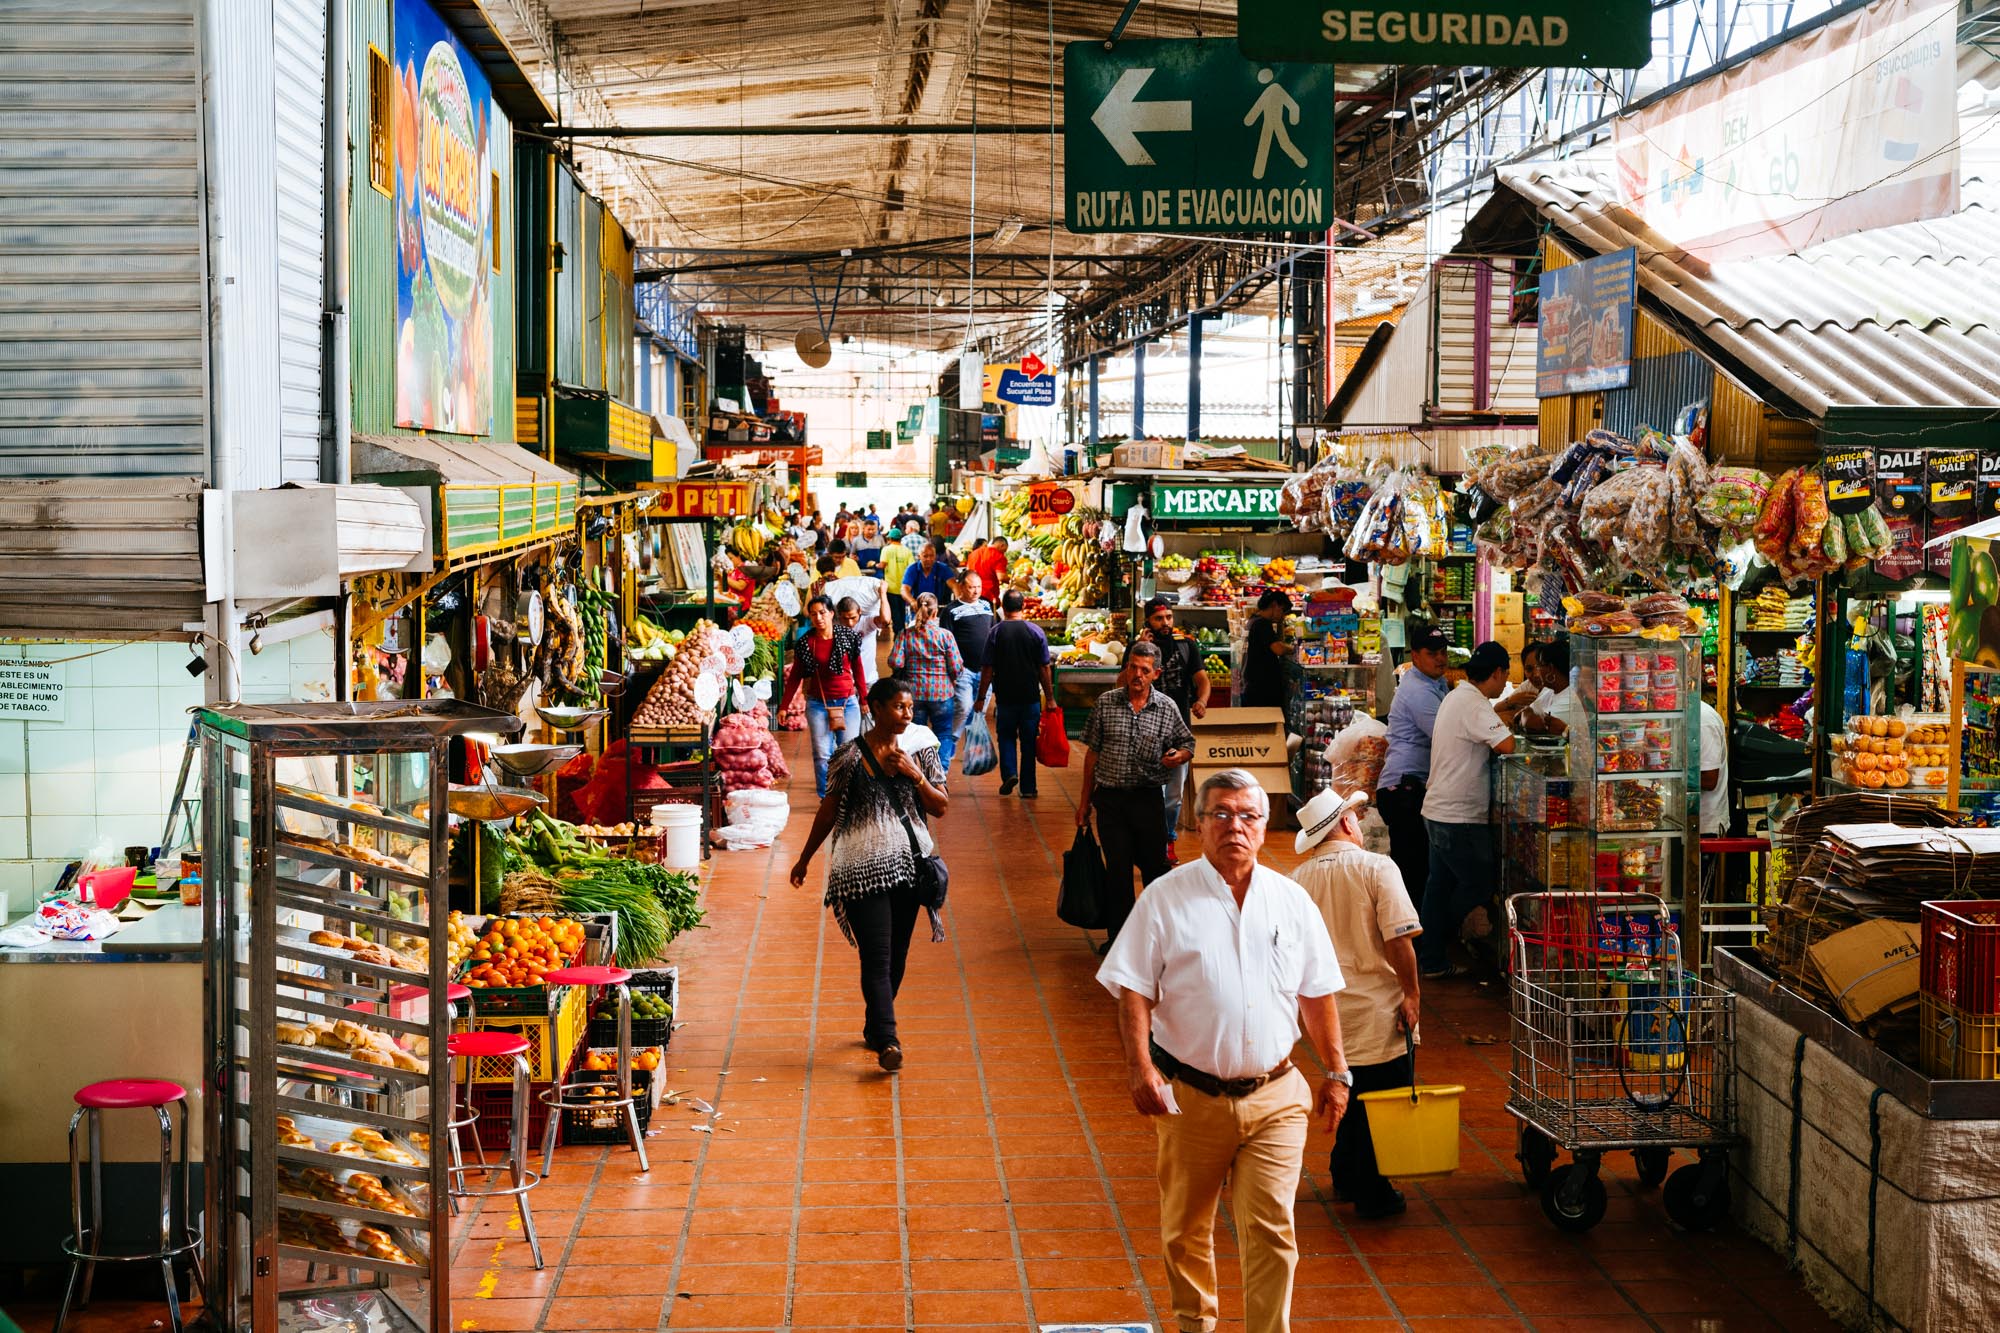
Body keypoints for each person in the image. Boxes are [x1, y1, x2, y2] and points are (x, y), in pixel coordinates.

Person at [1097, 769, 1350, 1333]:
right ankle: (1196, 1324)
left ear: (1264, 827)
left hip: (1277, 1095)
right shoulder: (1165, 898)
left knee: (1272, 1230)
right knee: (1186, 1229)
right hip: (1191, 1096)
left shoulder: (1292, 901)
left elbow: (1317, 992)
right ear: (1200, 823)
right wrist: (1141, 1067)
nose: (1234, 825)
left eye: (1247, 815)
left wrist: (1336, 1071)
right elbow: (1133, 988)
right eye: (1221, 814)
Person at [789, 677, 949, 1073]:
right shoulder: (847, 756)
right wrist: (805, 858)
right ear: (874, 708)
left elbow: (941, 805)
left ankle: (876, 1026)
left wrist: (915, 775)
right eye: (898, 706)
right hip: (860, 870)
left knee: (896, 958)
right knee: (876, 958)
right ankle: (889, 1041)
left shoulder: (921, 750)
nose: (906, 714)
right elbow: (828, 809)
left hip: (910, 868)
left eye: (910, 707)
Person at [1291, 787, 1423, 1220]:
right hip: (1376, 1007)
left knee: (1346, 1085)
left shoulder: (1298, 880)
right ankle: (1372, 1190)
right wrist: (1412, 993)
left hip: (1325, 1011)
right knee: (1381, 1097)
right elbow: (1398, 939)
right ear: (1347, 823)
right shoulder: (1377, 868)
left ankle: (1345, 1172)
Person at [1418, 641, 1533, 978]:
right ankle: (1453, 935)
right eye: (1505, 676)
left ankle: (1431, 958)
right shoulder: (1474, 703)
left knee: (1438, 886)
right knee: (1478, 884)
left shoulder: (1457, 696)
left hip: (1438, 809)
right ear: (1496, 674)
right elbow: (1507, 745)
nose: (1505, 683)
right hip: (1459, 816)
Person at [1076, 641, 1196, 951]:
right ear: (1126, 668)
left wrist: (1177, 757)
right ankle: (1119, 940)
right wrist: (1084, 802)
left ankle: (1159, 938)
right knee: (1117, 870)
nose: (1137, 675)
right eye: (1132, 667)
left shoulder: (1166, 707)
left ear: (1156, 673)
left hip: (1147, 801)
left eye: (1144, 670)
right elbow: (1092, 754)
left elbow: (1188, 744)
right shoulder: (1106, 703)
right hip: (1111, 801)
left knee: (1155, 870)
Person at [1375, 626, 1451, 914]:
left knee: (1419, 869)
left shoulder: (1435, 682)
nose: (1440, 659)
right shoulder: (1419, 690)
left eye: (1443, 652)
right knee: (1412, 872)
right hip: (1404, 789)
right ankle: (1408, 943)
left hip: (1413, 785)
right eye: (1432, 654)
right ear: (1415, 656)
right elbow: (1446, 736)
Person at [779, 595, 871, 798]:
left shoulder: (848, 636)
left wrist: (864, 699)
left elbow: (858, 669)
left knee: (849, 752)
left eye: (822, 613)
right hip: (818, 704)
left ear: (831, 614)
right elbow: (795, 676)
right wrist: (784, 706)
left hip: (848, 703)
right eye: (813, 614)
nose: (818, 618)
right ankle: (826, 797)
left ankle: (849, 795)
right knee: (822, 754)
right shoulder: (806, 643)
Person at [1141, 597, 1212, 860]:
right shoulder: (1138, 648)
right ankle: (1151, 841)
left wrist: (1202, 701)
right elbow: (1122, 681)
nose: (1166, 623)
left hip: (1179, 732)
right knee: (1150, 794)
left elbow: (1202, 679)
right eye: (1159, 618)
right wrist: (1143, 647)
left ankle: (1167, 839)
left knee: (1173, 796)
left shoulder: (1186, 646)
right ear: (1148, 620)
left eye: (1169, 617)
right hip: (1146, 731)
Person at [975, 588, 1056, 797]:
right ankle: (1028, 789)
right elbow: (1044, 668)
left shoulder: (996, 632)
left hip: (1005, 697)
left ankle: (1010, 773)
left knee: (1006, 737)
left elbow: (987, 668)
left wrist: (981, 697)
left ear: (1002, 607)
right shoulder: (1036, 631)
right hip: (1030, 698)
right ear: (1023, 607)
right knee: (1029, 741)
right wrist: (1050, 698)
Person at [888, 592, 964, 767]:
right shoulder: (945, 635)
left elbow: (895, 662)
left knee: (915, 735)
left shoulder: (906, 634)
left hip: (913, 695)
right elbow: (956, 667)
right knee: (944, 734)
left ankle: (919, 772)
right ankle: (940, 775)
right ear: (936, 612)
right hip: (942, 694)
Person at [942, 571, 996, 771]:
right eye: (972, 587)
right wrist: (952, 670)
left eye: (979, 587)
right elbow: (947, 642)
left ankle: (974, 754)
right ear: (961, 587)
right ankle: (951, 743)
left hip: (986, 670)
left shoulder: (987, 606)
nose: (976, 591)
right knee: (963, 707)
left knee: (978, 712)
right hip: (963, 670)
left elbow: (994, 631)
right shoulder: (951, 611)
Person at [1243, 589, 1296, 710]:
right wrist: (1294, 649)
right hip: (1262, 688)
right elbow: (1279, 649)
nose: (1283, 616)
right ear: (1274, 605)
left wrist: (1280, 622)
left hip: (1254, 685)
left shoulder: (1253, 620)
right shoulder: (1262, 624)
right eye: (1282, 611)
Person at [1699, 697, 1729, 836]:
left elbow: (1709, 780)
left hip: (1704, 826)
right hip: (1682, 820)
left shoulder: (1703, 719)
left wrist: (1662, 779)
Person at [901, 537, 954, 611]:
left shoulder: (943, 568)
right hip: (918, 610)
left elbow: (954, 585)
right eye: (925, 556)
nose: (929, 559)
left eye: (932, 556)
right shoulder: (912, 569)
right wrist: (912, 601)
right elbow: (904, 589)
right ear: (919, 557)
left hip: (938, 609)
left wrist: (958, 601)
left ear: (935, 556)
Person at [881, 534, 916, 642]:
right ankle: (902, 632)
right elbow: (912, 566)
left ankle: (899, 633)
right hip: (904, 587)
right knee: (902, 610)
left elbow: (882, 565)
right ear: (900, 538)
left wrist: (874, 565)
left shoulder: (886, 550)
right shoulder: (907, 551)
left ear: (890, 538)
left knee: (895, 611)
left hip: (891, 587)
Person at [964, 535, 1010, 600]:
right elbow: (1001, 577)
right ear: (1002, 545)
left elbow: (967, 571)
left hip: (971, 593)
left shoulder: (973, 553)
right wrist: (1013, 581)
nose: (1003, 553)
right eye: (1004, 551)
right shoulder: (998, 555)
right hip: (988, 594)